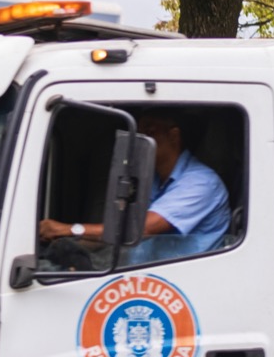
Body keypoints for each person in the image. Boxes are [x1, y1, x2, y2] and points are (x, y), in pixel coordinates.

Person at [38, 111, 231, 262]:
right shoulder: (152, 178)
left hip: (184, 282)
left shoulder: (201, 182)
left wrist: (70, 229)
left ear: (173, 136)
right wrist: (69, 243)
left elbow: (142, 229)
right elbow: (117, 232)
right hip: (144, 275)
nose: (141, 140)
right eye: (138, 134)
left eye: (150, 132)